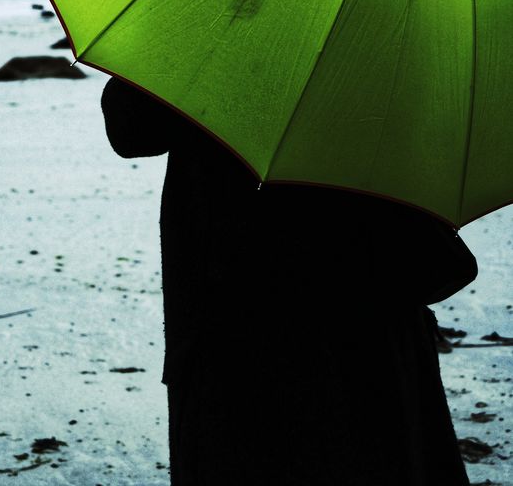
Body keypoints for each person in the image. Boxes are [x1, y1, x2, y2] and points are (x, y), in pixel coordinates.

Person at [101, 74, 477, 485]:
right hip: (351, 297)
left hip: (245, 312)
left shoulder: (215, 27)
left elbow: (132, 128)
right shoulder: (386, 33)